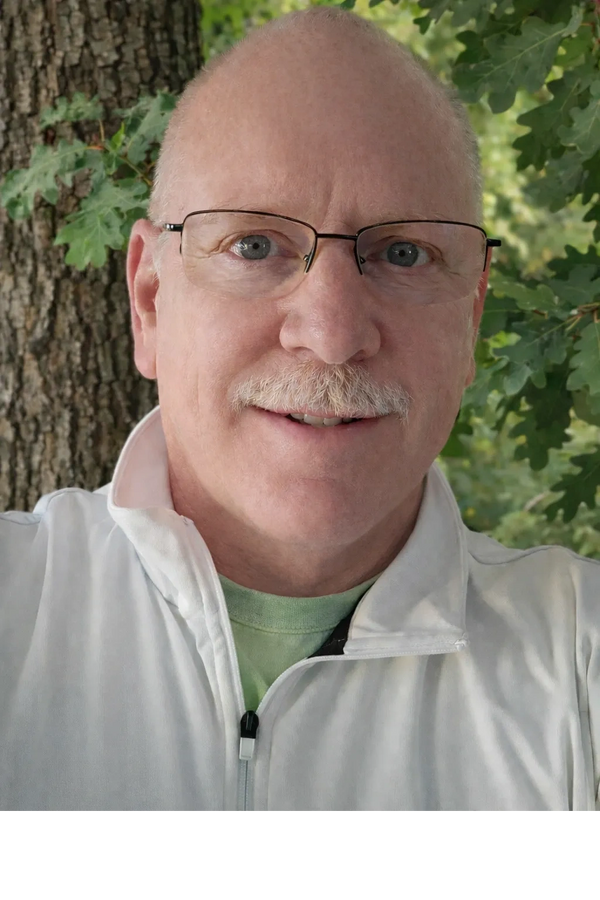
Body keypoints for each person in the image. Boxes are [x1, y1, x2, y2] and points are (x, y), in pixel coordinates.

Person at [0, 6, 598, 815]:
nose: (332, 333)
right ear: (150, 301)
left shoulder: (578, 663)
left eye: (403, 253)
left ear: (471, 316)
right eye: (254, 246)